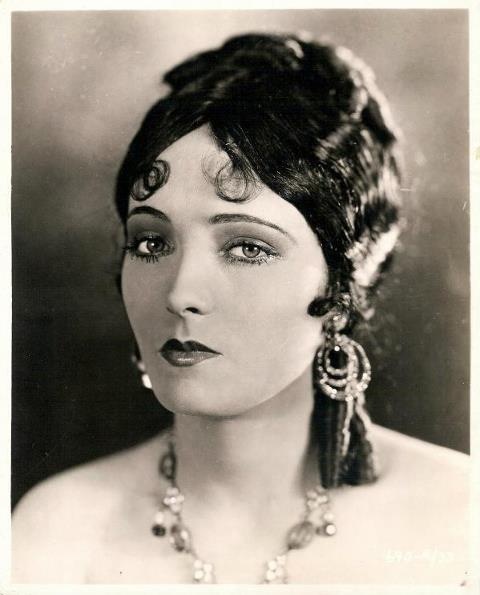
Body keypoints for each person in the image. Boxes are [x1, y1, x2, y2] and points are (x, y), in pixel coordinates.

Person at [11, 32, 469, 585]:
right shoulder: (55, 532)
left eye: (248, 248)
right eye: (152, 243)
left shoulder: (456, 523)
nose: (180, 293)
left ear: (343, 292)